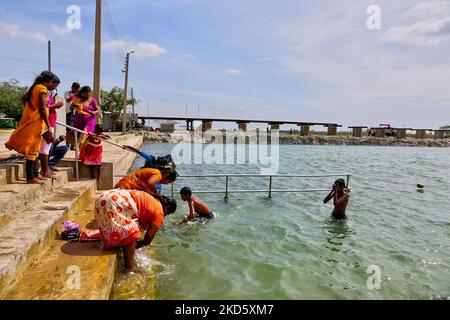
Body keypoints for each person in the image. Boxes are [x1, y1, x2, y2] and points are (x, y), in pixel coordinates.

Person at [95, 190, 177, 271]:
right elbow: (148, 240)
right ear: (166, 208)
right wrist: (136, 245)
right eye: (167, 214)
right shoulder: (159, 211)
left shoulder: (152, 199)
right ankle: (129, 268)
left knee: (127, 232)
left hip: (103, 199)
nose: (165, 216)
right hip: (113, 202)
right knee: (133, 233)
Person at [5, 71, 60, 184]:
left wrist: (30, 109)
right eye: (52, 83)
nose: (52, 86)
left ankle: (35, 174)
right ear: (49, 81)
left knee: (35, 148)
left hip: (33, 121)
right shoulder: (43, 89)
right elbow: (43, 109)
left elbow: (24, 98)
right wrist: (49, 125)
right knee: (32, 148)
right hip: (35, 123)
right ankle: (30, 177)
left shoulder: (35, 87)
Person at [39, 90, 64, 179]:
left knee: (46, 148)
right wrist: (49, 126)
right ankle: (44, 171)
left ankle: (46, 170)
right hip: (46, 126)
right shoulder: (44, 95)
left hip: (49, 126)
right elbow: (44, 108)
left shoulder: (50, 97)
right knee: (45, 149)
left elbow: (61, 103)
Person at [64, 82, 80, 149]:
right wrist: (75, 95)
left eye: (77, 89)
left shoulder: (79, 95)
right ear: (72, 87)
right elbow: (67, 100)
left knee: (76, 129)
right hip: (69, 113)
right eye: (76, 88)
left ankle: (73, 145)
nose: (76, 90)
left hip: (77, 113)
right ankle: (67, 144)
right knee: (69, 129)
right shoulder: (67, 93)